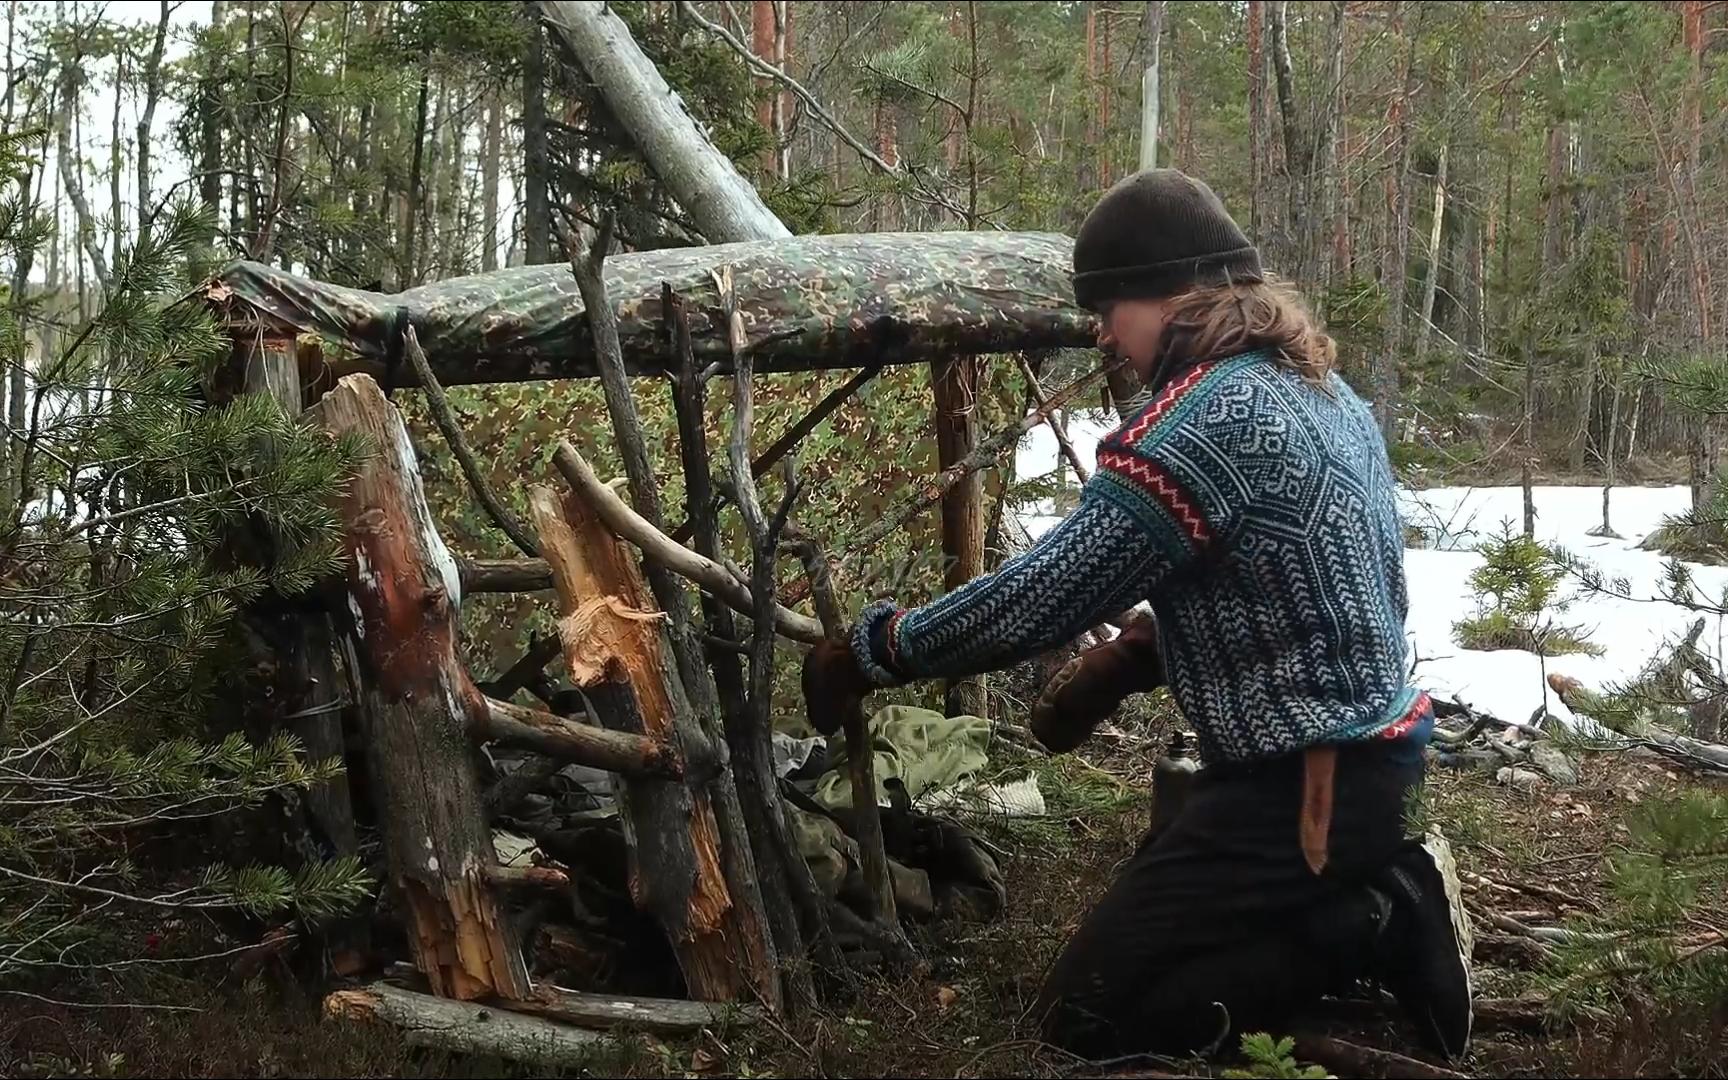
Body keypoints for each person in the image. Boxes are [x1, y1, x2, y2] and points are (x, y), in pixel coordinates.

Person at [800, 168, 1473, 1062]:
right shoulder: (1319, 391)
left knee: (1089, 1016)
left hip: (1301, 790)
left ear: (1162, 296)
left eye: (1108, 313)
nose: (1106, 340)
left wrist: (879, 649)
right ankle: (1352, 900)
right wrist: (1160, 644)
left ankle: (1374, 918)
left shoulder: (1206, 418)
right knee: (1147, 969)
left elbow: (1042, 595)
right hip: (1359, 766)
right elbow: (1309, 579)